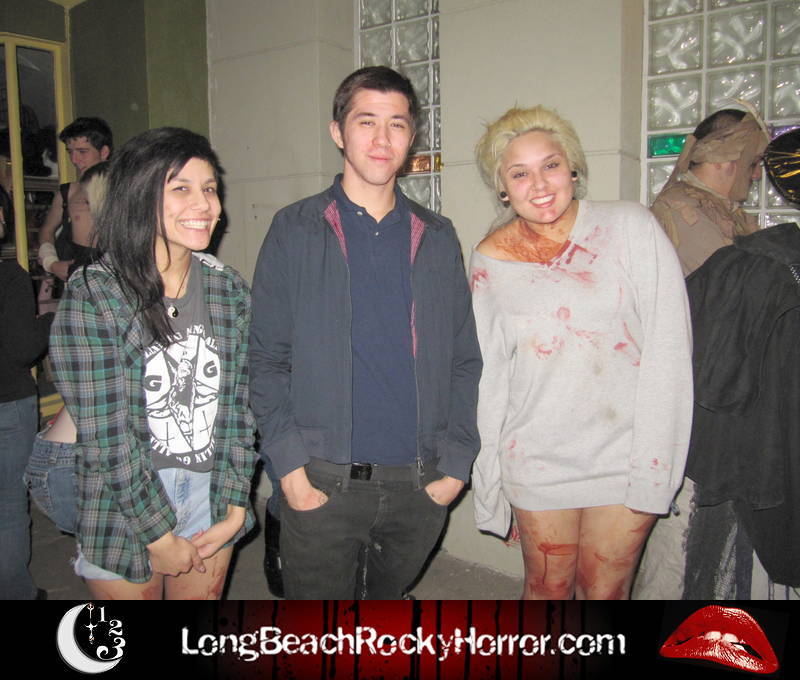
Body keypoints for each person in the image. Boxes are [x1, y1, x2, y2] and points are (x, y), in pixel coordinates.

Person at [249, 66, 482, 600]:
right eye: (366, 121)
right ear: (338, 132)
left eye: (397, 124)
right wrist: (290, 471)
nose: (382, 139)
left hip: (420, 485)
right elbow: (266, 359)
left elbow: (464, 359)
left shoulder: (437, 236)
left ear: (412, 136)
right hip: (322, 479)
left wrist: (455, 467)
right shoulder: (294, 229)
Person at [470, 106, 693, 599]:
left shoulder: (630, 226)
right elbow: (490, 376)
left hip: (625, 453)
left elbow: (670, 350)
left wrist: (657, 463)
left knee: (604, 591)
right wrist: (489, 480)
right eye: (519, 173)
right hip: (535, 455)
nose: (539, 184)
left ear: (573, 168)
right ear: (503, 188)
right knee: (546, 588)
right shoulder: (489, 258)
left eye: (550, 165)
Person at [49, 127, 257, 599]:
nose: (205, 205)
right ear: (140, 197)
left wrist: (235, 503)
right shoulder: (95, 294)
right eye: (181, 188)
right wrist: (157, 534)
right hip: (124, 497)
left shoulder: (227, 290)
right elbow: (107, 435)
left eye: (210, 189)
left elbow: (239, 410)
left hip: (210, 489)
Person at [633, 106, 770, 600]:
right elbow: (741, 299)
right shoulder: (682, 210)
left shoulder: (717, 210)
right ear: (730, 158)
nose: (757, 176)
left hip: (718, 389)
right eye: (753, 163)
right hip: (692, 398)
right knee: (682, 539)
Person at [678, 127, 800, 599]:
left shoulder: (746, 252)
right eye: (750, 165)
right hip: (743, 444)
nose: (753, 177)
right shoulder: (687, 221)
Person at [0, 220, 53, 599]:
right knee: (8, 506)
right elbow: (23, 349)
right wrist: (50, 320)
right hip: (7, 401)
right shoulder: (9, 276)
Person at [38, 117, 112, 282]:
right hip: (77, 276)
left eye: (82, 152)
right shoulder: (68, 192)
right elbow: (46, 231)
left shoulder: (124, 188)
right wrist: (51, 263)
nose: (74, 159)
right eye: (70, 152)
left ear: (104, 152)